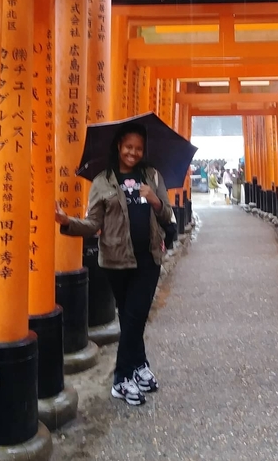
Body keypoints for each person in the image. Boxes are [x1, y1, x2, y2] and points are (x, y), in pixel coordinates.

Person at [55, 123, 173, 406]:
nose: (133, 152)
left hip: (148, 259)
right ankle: (139, 364)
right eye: (128, 147)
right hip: (115, 261)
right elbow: (94, 224)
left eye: (138, 148)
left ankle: (121, 378)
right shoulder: (102, 181)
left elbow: (167, 215)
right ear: (119, 147)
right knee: (130, 317)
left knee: (135, 316)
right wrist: (67, 222)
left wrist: (155, 199)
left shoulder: (152, 176)